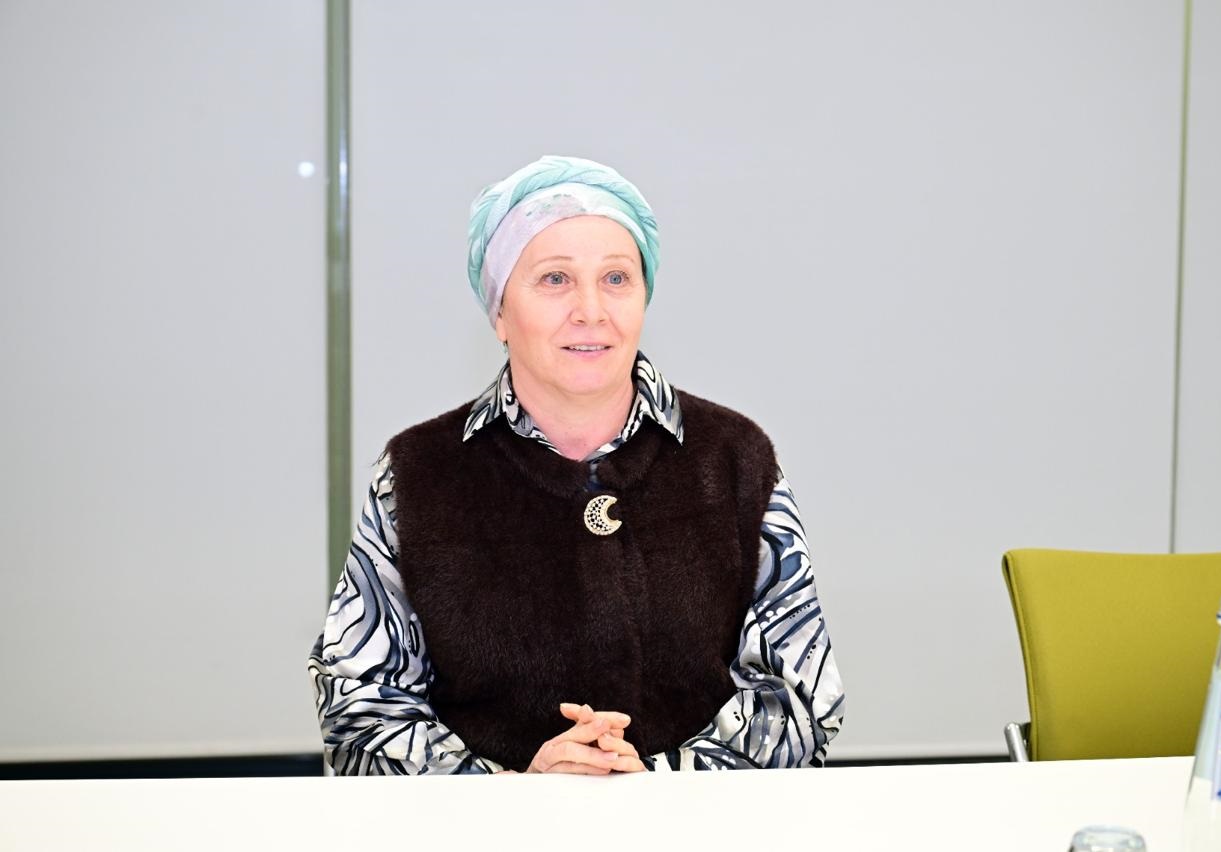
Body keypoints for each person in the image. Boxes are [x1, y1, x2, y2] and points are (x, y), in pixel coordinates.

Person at [307, 155, 844, 774]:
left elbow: (800, 696)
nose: (591, 309)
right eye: (555, 279)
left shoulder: (735, 458)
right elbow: (359, 706)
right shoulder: (416, 473)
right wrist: (514, 790)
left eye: (616, 278)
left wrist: (660, 782)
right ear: (499, 313)